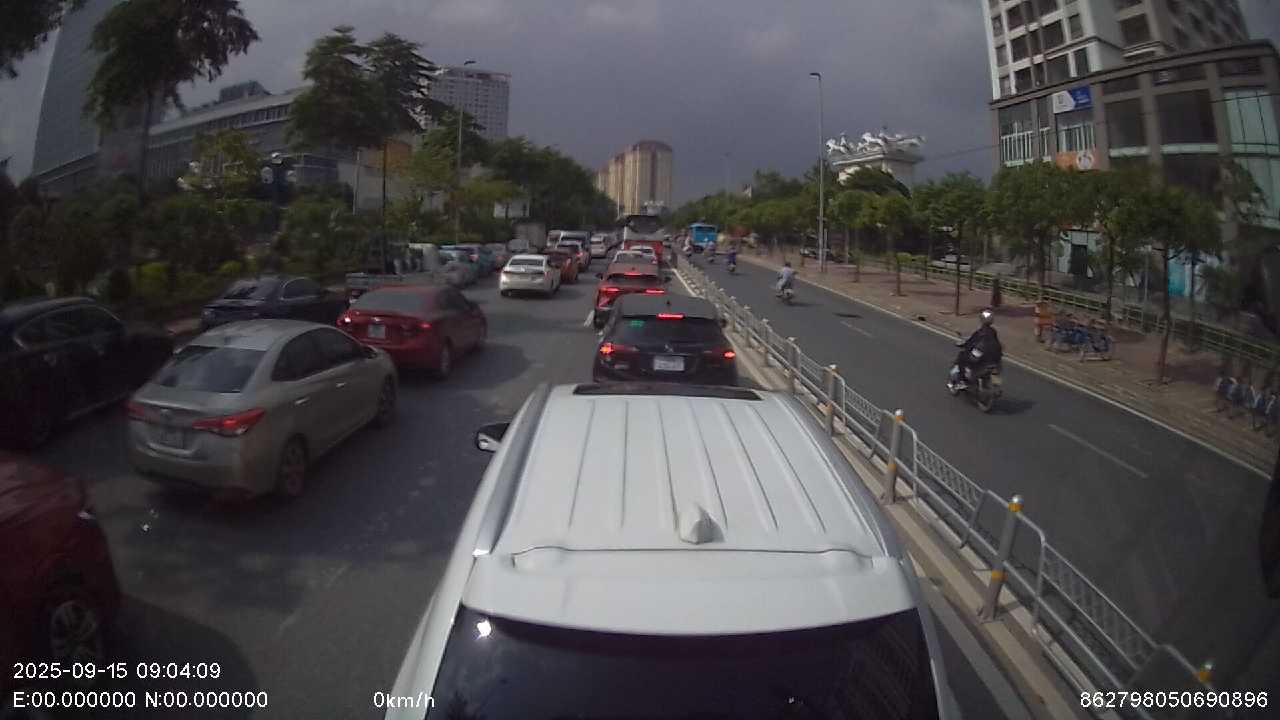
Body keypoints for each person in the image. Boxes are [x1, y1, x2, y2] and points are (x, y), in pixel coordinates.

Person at [950, 308, 1002, 391]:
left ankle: (963, 381)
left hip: (982, 357)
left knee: (962, 358)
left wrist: (963, 344)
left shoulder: (981, 332)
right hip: (994, 358)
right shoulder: (993, 331)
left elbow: (971, 341)